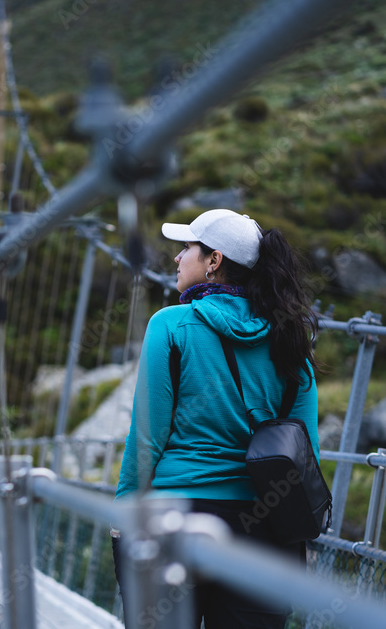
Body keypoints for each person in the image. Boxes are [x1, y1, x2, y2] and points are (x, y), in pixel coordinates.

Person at [113, 208, 319, 628]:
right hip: (265, 527)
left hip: (175, 516)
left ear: (214, 260)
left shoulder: (170, 325)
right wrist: (302, 532)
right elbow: (305, 449)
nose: (176, 258)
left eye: (186, 247)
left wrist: (124, 510)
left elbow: (148, 435)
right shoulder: (290, 336)